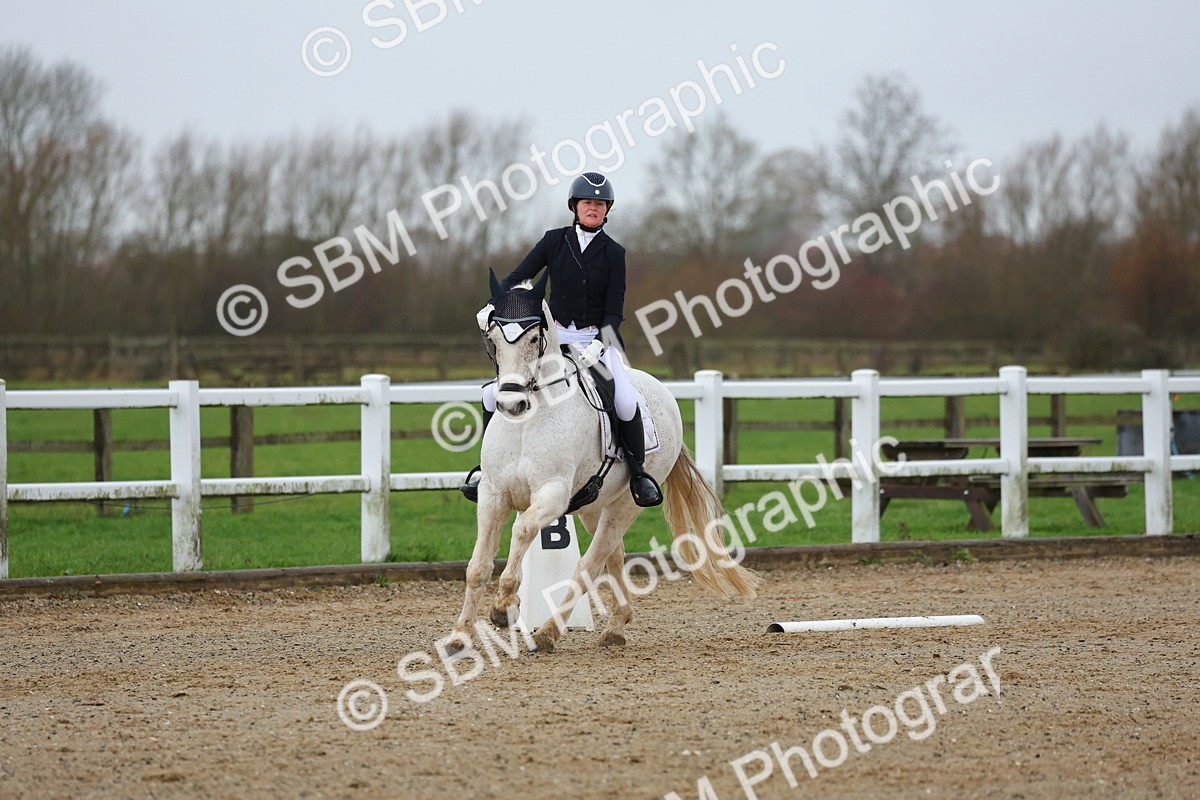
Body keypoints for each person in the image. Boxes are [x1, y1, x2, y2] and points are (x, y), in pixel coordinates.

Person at [461, 171, 662, 507]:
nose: (593, 208)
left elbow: (614, 310)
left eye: (600, 204)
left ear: (607, 210)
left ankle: (638, 473)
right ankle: (488, 471)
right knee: (490, 394)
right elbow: (516, 278)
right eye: (587, 202)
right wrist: (492, 306)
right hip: (552, 338)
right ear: (575, 206)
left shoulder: (614, 253)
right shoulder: (554, 241)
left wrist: (600, 342)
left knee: (626, 401)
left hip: (595, 340)